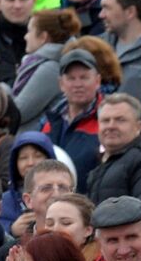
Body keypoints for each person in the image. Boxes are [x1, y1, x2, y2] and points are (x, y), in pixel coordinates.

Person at [86, 93, 141, 214]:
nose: (111, 126)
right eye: (105, 120)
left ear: (138, 127)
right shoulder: (101, 165)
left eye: (120, 120)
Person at [40, 48, 101, 189]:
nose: (78, 84)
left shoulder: (107, 119)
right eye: (71, 78)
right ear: (61, 84)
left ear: (97, 81)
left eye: (84, 77)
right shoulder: (49, 121)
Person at [12, 8, 79, 128]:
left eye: (29, 31)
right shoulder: (44, 64)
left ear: (43, 37)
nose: (25, 37)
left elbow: (18, 113)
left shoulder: (50, 69)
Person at [0, 131, 61, 231]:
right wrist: (11, 229)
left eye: (38, 156)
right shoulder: (5, 201)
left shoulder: (64, 194)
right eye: (23, 158)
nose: (30, 163)